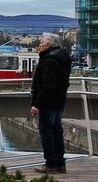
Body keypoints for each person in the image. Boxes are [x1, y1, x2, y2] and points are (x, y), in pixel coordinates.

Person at [30, 32, 71, 174]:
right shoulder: (62, 58)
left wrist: (37, 104)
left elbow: (47, 86)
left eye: (42, 42)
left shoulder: (48, 60)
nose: (39, 44)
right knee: (57, 132)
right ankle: (60, 164)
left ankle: (51, 164)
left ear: (48, 44)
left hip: (48, 102)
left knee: (46, 133)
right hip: (59, 101)